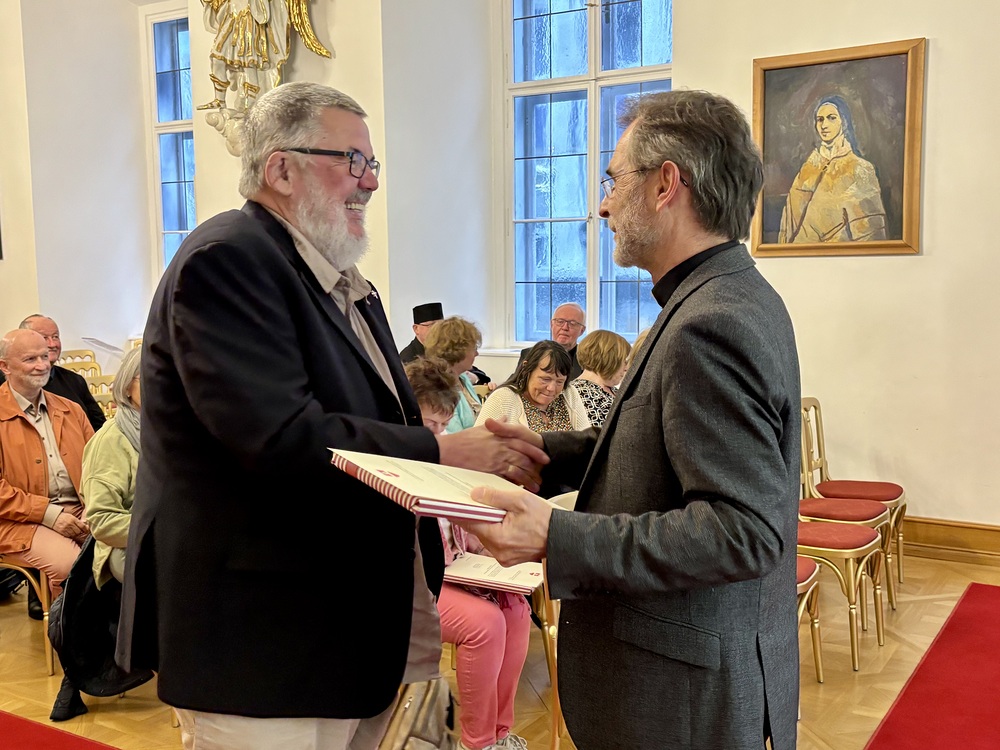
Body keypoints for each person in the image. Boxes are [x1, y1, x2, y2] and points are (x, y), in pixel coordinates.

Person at [116, 81, 546, 750]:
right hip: (261, 640)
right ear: (280, 169)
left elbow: (369, 418)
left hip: (339, 627)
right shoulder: (227, 259)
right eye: (352, 161)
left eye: (372, 164)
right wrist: (444, 453)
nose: (370, 182)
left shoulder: (342, 278)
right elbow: (278, 438)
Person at [462, 90, 801, 749]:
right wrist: (544, 451)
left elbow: (742, 531)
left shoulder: (709, 322)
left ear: (666, 184)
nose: (604, 205)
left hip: (680, 698)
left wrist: (556, 535)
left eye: (613, 180)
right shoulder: (721, 294)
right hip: (695, 673)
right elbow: (657, 439)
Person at [405, 358, 531, 750]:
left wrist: (494, 556)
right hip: (415, 584)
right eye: (430, 425)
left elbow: (462, 532)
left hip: (455, 571)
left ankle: (500, 732)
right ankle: (476, 742)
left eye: (443, 425)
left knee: (517, 609)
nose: (439, 435)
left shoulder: (443, 457)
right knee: (484, 623)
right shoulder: (393, 462)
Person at [0, 328, 93, 722]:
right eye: (31, 359)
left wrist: (93, 508)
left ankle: (118, 649)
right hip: (16, 521)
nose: (43, 364)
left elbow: (96, 466)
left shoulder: (69, 408)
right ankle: (78, 662)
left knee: (127, 550)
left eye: (45, 356)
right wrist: (52, 515)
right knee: (73, 565)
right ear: (5, 367)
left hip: (79, 512)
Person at [778, 94, 887, 243]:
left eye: (831, 118)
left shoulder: (860, 169)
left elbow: (870, 235)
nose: (824, 125)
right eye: (820, 119)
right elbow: (787, 225)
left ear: (844, 122)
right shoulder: (807, 170)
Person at [80, 348, 142, 589]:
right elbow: (103, 520)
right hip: (128, 545)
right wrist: (167, 528)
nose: (162, 385)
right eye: (149, 377)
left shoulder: (177, 430)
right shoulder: (111, 441)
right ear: (126, 386)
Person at [0, 315, 106, 431]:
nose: (52, 344)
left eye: (55, 337)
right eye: (44, 337)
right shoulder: (4, 384)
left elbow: (100, 427)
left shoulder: (74, 380)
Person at [476, 341, 590, 434]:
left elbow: (587, 441)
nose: (551, 388)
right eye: (545, 379)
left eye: (560, 382)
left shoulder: (569, 393)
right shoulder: (503, 399)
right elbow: (478, 445)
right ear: (526, 369)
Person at [400, 303, 491, 386]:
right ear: (416, 329)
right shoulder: (408, 358)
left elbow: (470, 370)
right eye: (432, 325)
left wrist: (476, 378)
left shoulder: (444, 348)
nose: (437, 330)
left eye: (440, 325)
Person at [424, 316, 484, 433]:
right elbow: (455, 434)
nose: (476, 353)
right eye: (474, 348)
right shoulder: (440, 388)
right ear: (458, 350)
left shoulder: (463, 378)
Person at [569, 330, 630, 428]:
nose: (626, 368)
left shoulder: (615, 391)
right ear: (609, 359)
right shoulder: (575, 393)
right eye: (624, 362)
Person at [511, 303, 586, 381]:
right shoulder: (529, 354)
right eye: (560, 322)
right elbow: (514, 384)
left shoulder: (587, 359)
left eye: (572, 324)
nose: (565, 328)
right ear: (551, 325)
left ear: (582, 330)